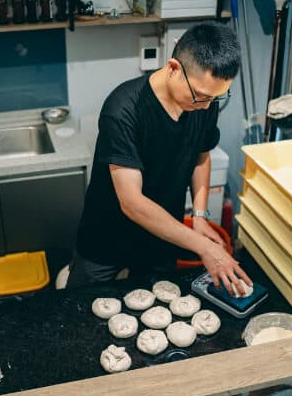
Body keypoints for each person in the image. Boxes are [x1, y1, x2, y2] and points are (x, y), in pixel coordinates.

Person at [67, 22, 252, 295]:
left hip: (162, 236)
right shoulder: (123, 109)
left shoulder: (204, 102)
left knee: (160, 305)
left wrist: (199, 217)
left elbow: (201, 157)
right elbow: (132, 202)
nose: (205, 106)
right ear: (174, 68)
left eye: (215, 98)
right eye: (200, 96)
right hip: (107, 236)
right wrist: (203, 246)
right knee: (80, 305)